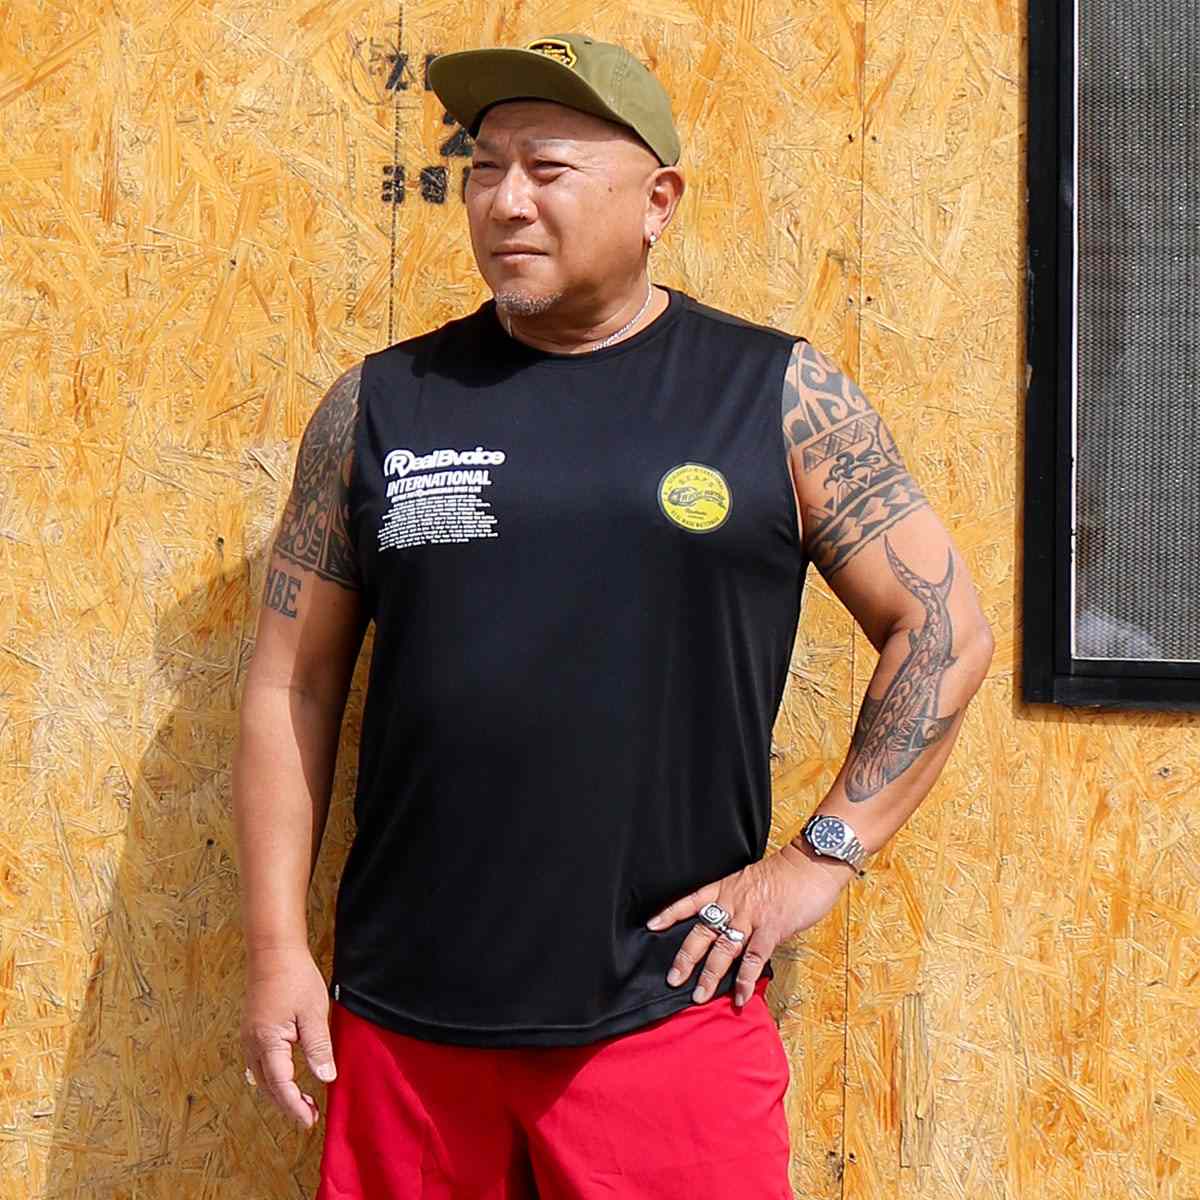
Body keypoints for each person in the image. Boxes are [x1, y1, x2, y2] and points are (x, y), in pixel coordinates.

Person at [231, 30, 995, 1199]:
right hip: (409, 1030)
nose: (506, 201)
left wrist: (819, 859)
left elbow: (942, 628)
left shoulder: (774, 396)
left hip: (668, 1020)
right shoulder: (381, 405)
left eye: (548, 169)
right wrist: (277, 947)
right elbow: (294, 681)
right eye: (485, 168)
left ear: (657, 202)